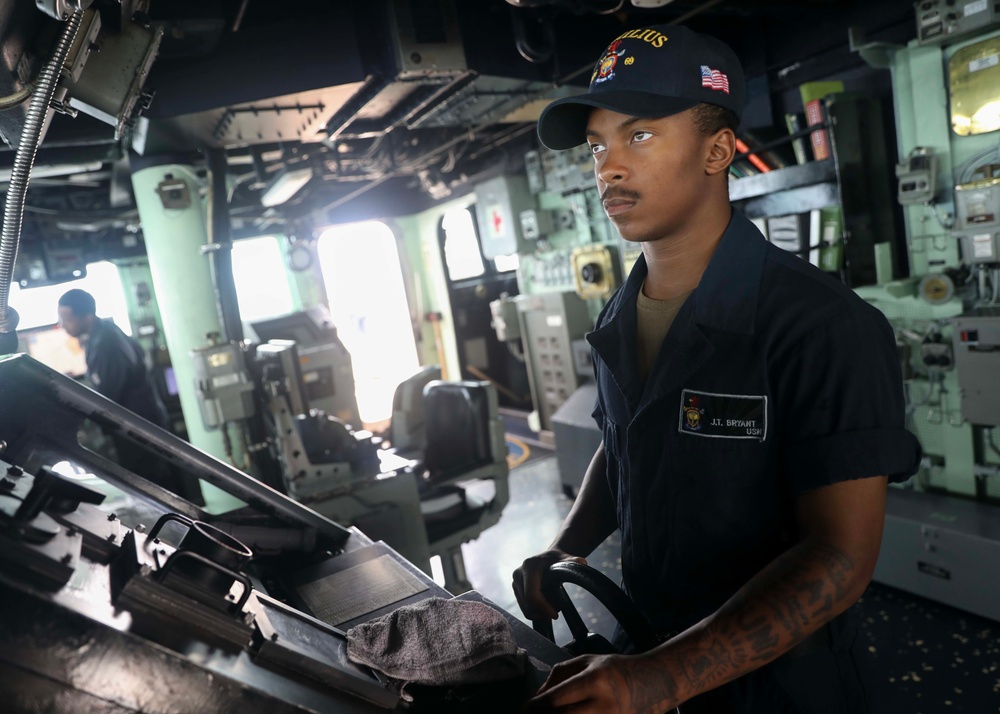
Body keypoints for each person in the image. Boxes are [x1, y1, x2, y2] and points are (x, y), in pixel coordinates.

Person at [512, 23, 921, 714]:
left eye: (638, 135)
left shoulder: (820, 325)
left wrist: (663, 678)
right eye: (596, 145)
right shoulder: (620, 313)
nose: (608, 166)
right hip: (648, 647)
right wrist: (566, 546)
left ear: (718, 149)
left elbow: (840, 559)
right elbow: (624, 448)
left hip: (781, 689)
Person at [58, 288, 203, 504]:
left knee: (155, 490)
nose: (62, 325)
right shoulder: (105, 332)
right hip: (143, 425)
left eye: (67, 318)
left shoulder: (105, 344)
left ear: (86, 316)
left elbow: (106, 397)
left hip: (138, 431)